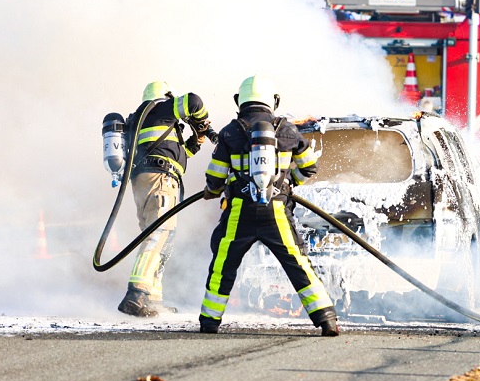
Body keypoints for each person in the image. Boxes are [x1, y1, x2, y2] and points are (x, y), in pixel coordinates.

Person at [198, 75, 339, 336]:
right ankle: (326, 319)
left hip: (239, 211)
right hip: (276, 211)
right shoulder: (288, 130)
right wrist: (289, 183)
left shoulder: (230, 132)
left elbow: (215, 177)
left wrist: (213, 191)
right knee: (297, 263)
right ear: (273, 101)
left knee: (223, 265)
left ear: (239, 101)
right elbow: (309, 167)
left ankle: (209, 321)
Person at [118, 81, 213, 317]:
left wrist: (197, 140)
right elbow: (194, 101)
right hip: (160, 180)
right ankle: (136, 293)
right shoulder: (159, 107)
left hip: (149, 179)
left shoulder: (142, 120)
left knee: (162, 239)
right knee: (158, 234)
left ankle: (152, 299)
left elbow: (177, 153)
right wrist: (202, 121)